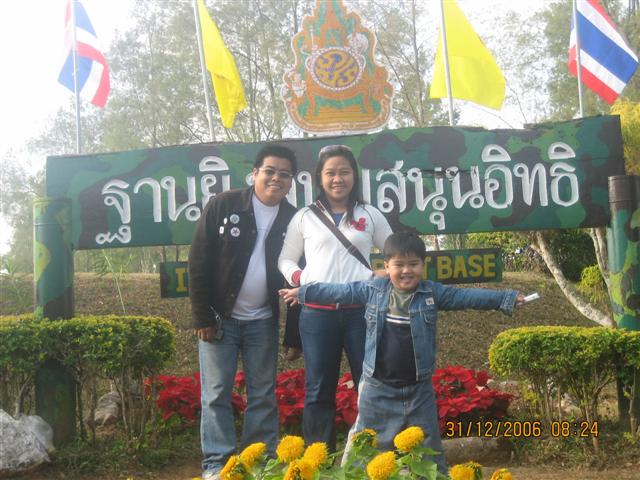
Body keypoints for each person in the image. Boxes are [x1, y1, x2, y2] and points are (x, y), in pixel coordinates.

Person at [279, 231, 525, 475]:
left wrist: (507, 298)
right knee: (363, 449)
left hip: (419, 390)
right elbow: (341, 292)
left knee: (430, 452)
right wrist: (304, 292)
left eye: (413, 264)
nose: (406, 271)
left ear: (423, 265)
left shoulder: (431, 293)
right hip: (377, 388)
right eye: (399, 265)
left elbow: (466, 296)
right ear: (386, 266)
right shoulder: (373, 289)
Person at [189, 144, 301, 480]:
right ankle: (217, 464)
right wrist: (202, 317)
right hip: (219, 319)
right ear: (255, 173)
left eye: (284, 174)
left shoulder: (295, 219)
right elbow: (198, 260)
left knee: (262, 395)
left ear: (291, 181)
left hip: (262, 322)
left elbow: (300, 278)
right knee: (216, 394)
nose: (276, 179)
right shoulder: (223, 205)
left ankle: (259, 462)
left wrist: (292, 334)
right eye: (269, 171)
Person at [278, 144, 393, 450]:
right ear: (320, 177)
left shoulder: (370, 214)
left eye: (344, 172)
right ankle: (320, 459)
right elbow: (285, 259)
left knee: (370, 386)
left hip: (362, 312)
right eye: (330, 173)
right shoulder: (305, 216)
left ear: (354, 176)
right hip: (317, 314)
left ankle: (376, 455)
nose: (337, 179)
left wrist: (386, 272)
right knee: (318, 389)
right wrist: (303, 280)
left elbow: (395, 251)